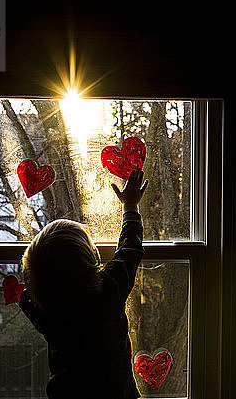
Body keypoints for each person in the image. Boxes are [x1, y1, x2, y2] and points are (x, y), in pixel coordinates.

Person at [19, 169, 148, 399]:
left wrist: (40, 276)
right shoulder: (108, 291)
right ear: (91, 260)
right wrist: (130, 206)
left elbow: (26, 296)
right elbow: (130, 248)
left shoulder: (46, 313)